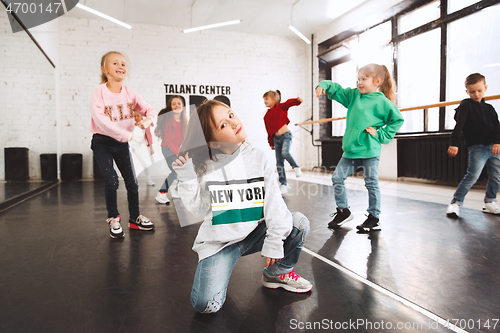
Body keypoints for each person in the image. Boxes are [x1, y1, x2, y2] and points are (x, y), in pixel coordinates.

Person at [172, 99, 312, 314]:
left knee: (298, 223)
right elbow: (198, 210)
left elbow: (274, 202)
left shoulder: (259, 156)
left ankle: (277, 273)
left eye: (230, 115)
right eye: (222, 125)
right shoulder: (203, 167)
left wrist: (275, 241)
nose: (233, 122)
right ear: (213, 143)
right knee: (206, 306)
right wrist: (187, 178)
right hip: (221, 244)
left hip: (255, 234)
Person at [316, 63, 404, 233]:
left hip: (370, 151)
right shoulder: (354, 96)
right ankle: (343, 211)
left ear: (377, 81)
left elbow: (397, 120)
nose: (359, 83)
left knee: (371, 183)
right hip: (350, 150)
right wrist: (323, 85)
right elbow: (338, 90)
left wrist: (381, 134)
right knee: (337, 178)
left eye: (364, 79)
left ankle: (374, 217)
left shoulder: (383, 102)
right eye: (358, 79)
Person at [90, 51, 156, 238]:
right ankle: (113, 218)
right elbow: (100, 119)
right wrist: (123, 134)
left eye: (123, 64)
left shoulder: (130, 93)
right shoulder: (99, 91)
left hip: (122, 144)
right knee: (111, 180)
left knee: (132, 182)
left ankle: (135, 218)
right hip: (103, 142)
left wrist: (148, 120)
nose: (121, 67)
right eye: (115, 63)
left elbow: (149, 109)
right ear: (104, 70)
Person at [446, 73, 500, 217]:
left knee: (496, 175)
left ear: (485, 88)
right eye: (472, 91)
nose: (476, 94)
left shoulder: (489, 108)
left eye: (479, 90)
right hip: (478, 147)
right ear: (467, 92)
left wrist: (497, 142)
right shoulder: (466, 105)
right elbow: (459, 125)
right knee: (472, 175)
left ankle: (490, 201)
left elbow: (497, 126)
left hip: (493, 147)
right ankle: (455, 203)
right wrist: (454, 143)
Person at [263, 90, 303, 195]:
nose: (265, 101)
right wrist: (271, 142)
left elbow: (289, 103)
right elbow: (269, 130)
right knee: (279, 162)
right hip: (276, 140)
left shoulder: (280, 107)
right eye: (264, 100)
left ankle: (295, 166)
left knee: (285, 153)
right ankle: (284, 183)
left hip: (286, 136)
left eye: (267, 99)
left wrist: (297, 101)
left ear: (274, 99)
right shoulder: (266, 116)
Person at [154, 95, 188, 204]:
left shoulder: (184, 121)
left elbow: (184, 139)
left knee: (182, 170)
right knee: (175, 171)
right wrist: (177, 153)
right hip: (168, 149)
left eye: (179, 103)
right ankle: (161, 193)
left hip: (177, 150)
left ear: (183, 106)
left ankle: (177, 191)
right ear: (170, 107)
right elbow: (168, 140)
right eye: (174, 104)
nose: (177, 106)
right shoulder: (168, 120)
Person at [129, 111, 155, 186]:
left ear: (141, 116)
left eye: (138, 116)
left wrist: (151, 147)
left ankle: (149, 179)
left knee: (145, 163)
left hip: (138, 146)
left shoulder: (145, 125)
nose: (136, 118)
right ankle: (133, 181)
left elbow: (149, 136)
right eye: (134, 116)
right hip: (129, 146)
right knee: (132, 164)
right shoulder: (130, 125)